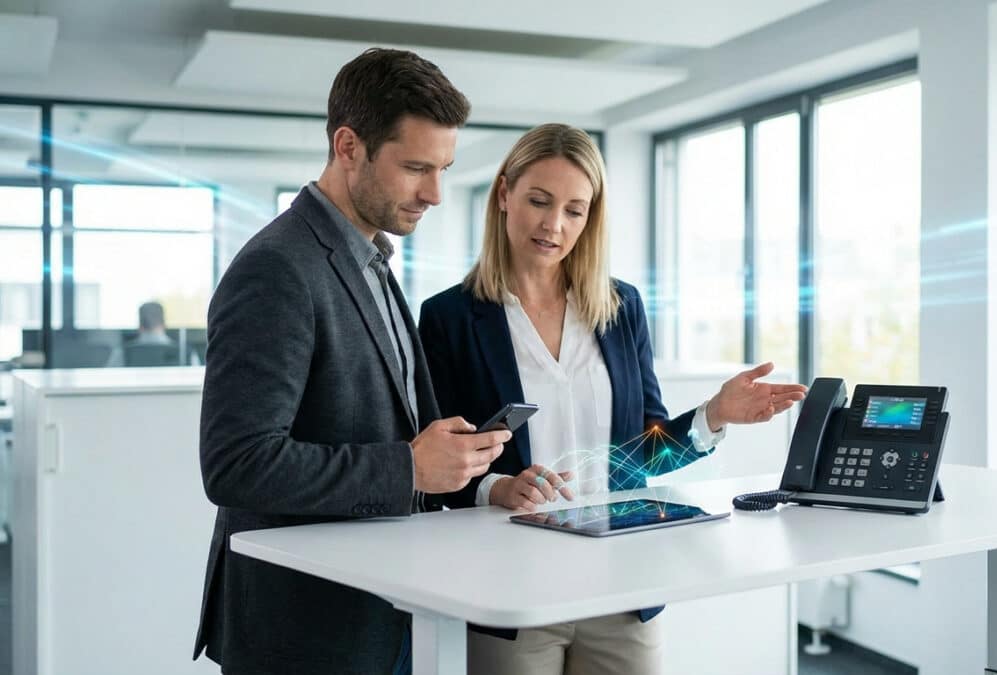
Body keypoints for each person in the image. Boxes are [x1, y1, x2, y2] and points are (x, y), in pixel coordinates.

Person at [418, 123, 807, 675]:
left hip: (620, 585)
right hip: (513, 589)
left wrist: (713, 415)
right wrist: (495, 487)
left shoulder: (621, 308)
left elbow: (644, 451)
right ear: (504, 194)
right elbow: (437, 465)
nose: (554, 225)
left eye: (575, 210)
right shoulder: (449, 317)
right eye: (539, 201)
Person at [193, 48, 511, 675]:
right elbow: (236, 465)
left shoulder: (372, 260)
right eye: (416, 167)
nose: (436, 193)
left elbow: (391, 429)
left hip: (384, 613)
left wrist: (478, 477)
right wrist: (409, 467)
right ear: (348, 146)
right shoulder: (277, 268)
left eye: (444, 168)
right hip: (305, 633)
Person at [105, 301, 200, 367]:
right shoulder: (186, 354)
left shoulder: (122, 353)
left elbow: (107, 383)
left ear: (140, 326)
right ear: (164, 324)